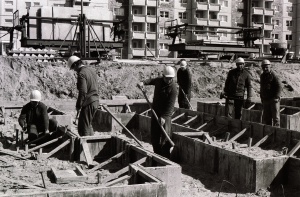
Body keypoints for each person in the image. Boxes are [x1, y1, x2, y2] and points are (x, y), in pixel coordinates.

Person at [137, 66, 177, 158]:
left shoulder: (173, 88)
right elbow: (150, 81)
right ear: (163, 76)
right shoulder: (159, 81)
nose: (169, 80)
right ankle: (157, 155)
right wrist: (143, 83)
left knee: (165, 139)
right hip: (155, 111)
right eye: (167, 78)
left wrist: (164, 117)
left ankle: (166, 157)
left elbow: (170, 106)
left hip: (166, 115)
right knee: (155, 137)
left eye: (171, 79)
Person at [68, 55, 99, 136]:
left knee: (83, 128)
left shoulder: (81, 73)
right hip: (95, 101)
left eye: (73, 68)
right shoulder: (91, 70)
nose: (74, 70)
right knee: (88, 125)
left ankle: (85, 147)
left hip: (89, 102)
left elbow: (83, 92)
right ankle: (91, 144)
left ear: (75, 65)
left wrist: (78, 105)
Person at [260, 59, 282, 127]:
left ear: (270, 67)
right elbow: (262, 87)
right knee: (266, 118)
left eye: (266, 67)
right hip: (266, 99)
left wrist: (277, 97)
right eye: (263, 67)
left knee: (276, 118)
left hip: (273, 100)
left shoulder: (274, 75)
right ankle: (268, 132)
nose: (265, 69)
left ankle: (276, 133)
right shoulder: (262, 76)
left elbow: (279, 86)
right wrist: (262, 97)